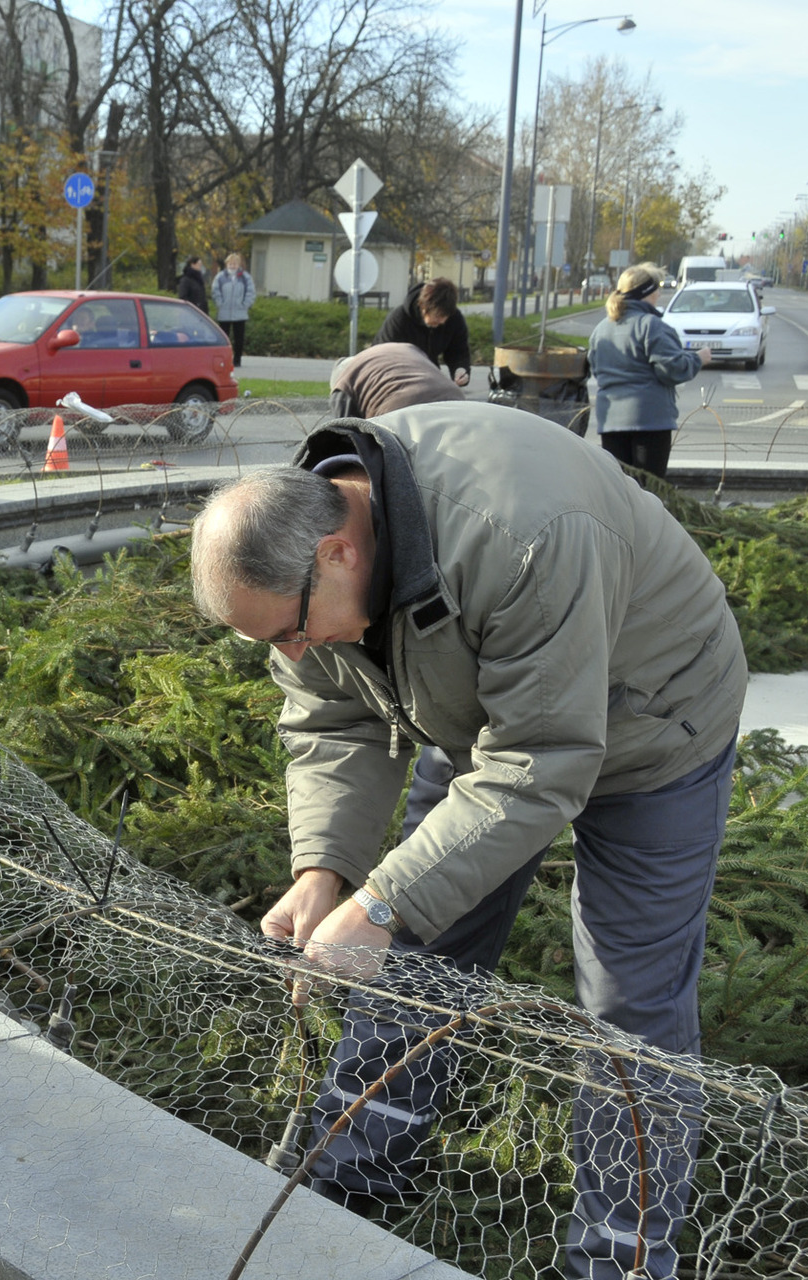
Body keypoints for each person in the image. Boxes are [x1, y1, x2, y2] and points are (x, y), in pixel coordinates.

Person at [190, 399, 745, 1280]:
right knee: (418, 945)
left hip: (655, 724)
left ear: (338, 553)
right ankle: (350, 1169)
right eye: (273, 641)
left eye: (291, 631)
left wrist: (380, 902)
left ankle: (621, 1257)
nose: (291, 653)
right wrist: (324, 871)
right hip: (494, 727)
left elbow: (542, 760)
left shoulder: (523, 534)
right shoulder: (297, 561)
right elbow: (332, 719)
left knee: (629, 1005)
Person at [587, 262, 708, 480]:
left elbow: (596, 369)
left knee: (619, 488)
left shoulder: (601, 329)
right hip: (649, 421)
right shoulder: (651, 325)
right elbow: (673, 369)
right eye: (657, 288)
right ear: (647, 293)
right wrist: (698, 358)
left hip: (610, 421)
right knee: (649, 489)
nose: (660, 294)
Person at [328, 341, 468, 419]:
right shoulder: (407, 348)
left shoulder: (344, 382)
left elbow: (344, 434)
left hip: (403, 410)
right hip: (456, 400)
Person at [374, 277, 471, 387]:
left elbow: (458, 351)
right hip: (398, 377)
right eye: (438, 316)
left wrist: (460, 369)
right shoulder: (399, 320)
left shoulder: (454, 318)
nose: (442, 321)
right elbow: (382, 357)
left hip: (429, 374)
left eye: (445, 316)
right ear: (423, 307)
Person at [212, 253, 257, 366]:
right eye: (231, 263)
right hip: (224, 313)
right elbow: (215, 291)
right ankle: (224, 359)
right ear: (227, 264)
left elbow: (251, 292)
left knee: (239, 338)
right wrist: (220, 303)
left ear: (239, 264)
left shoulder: (245, 277)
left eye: (235, 264)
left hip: (240, 313)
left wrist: (245, 304)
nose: (233, 266)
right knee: (224, 338)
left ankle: (237, 360)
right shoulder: (220, 277)